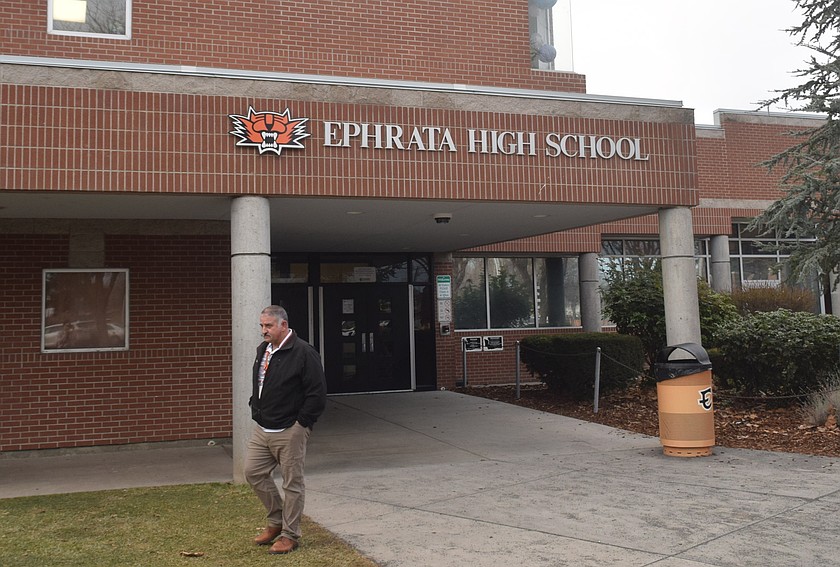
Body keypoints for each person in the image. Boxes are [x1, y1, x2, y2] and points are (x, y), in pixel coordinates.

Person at [245, 305, 327, 555]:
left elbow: (317, 394)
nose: (263, 331)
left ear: (283, 325)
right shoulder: (264, 349)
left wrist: (301, 423)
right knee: (253, 472)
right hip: (263, 427)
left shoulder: (304, 352)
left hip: (290, 429)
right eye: (261, 326)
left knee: (292, 484)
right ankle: (276, 521)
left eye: (268, 326)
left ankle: (290, 535)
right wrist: (255, 406)